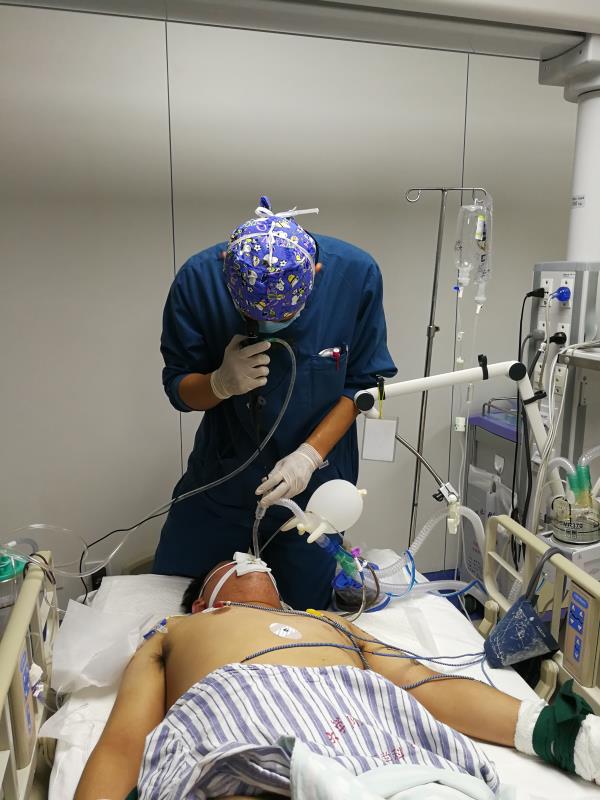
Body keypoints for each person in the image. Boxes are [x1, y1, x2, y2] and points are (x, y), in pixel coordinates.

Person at [74, 558, 600, 800]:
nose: (248, 560)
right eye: (228, 564)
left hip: (369, 732)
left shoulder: (329, 623)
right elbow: (124, 743)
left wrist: (558, 733)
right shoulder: (177, 630)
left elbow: (422, 684)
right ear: (205, 598)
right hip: (244, 720)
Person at [153, 197, 397, 609]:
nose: (267, 326)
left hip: (313, 494)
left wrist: (309, 455)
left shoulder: (355, 276)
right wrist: (218, 383)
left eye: (282, 317)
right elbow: (178, 387)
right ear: (227, 277)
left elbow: (364, 385)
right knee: (173, 600)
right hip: (221, 482)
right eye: (252, 315)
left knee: (301, 615)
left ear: (314, 274)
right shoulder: (199, 279)